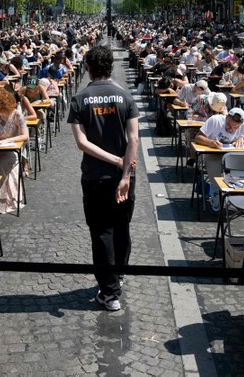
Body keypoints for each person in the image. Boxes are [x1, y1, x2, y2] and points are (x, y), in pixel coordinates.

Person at [68, 45, 138, 312]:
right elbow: (133, 139)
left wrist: (113, 161)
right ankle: (117, 276)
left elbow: (82, 143)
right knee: (122, 229)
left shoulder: (79, 99)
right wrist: (125, 172)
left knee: (101, 233)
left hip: (96, 176)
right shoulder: (125, 97)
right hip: (124, 177)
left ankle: (109, 292)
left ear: (87, 67)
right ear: (110, 66)